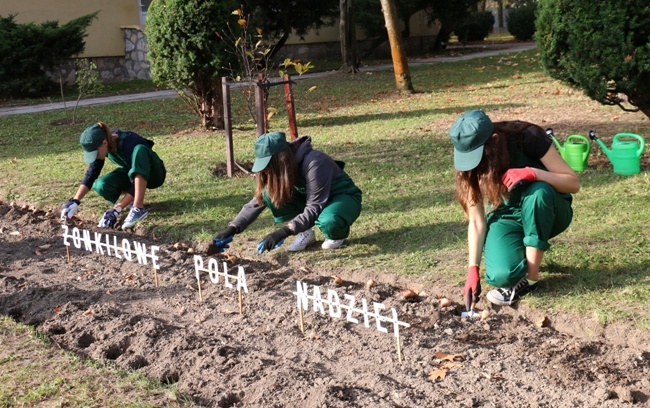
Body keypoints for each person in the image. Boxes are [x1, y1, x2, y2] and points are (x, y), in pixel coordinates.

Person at [449, 110, 580, 309]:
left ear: (494, 141)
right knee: (502, 275)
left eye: (478, 155)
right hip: (508, 214)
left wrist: (533, 173)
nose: (475, 163)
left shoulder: (528, 137)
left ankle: (530, 279)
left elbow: (573, 184)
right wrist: (473, 269)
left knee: (538, 192)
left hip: (549, 209)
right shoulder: (467, 158)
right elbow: (476, 220)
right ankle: (521, 259)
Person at [211, 131, 362, 255]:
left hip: (341, 198)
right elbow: (257, 201)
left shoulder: (314, 163)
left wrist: (285, 231)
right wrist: (233, 228)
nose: (267, 170)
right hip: (310, 199)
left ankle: (336, 235)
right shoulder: (285, 167)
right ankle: (306, 234)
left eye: (269, 164)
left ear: (280, 160)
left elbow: (314, 206)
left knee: (329, 220)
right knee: (269, 194)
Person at [60, 122, 166, 230]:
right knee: (102, 185)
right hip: (131, 173)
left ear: (104, 143)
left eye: (95, 153)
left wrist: (116, 210)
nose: (94, 157)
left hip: (154, 174)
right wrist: (75, 201)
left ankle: (138, 208)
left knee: (140, 150)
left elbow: (136, 178)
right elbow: (91, 174)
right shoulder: (104, 145)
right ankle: (132, 200)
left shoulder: (131, 142)